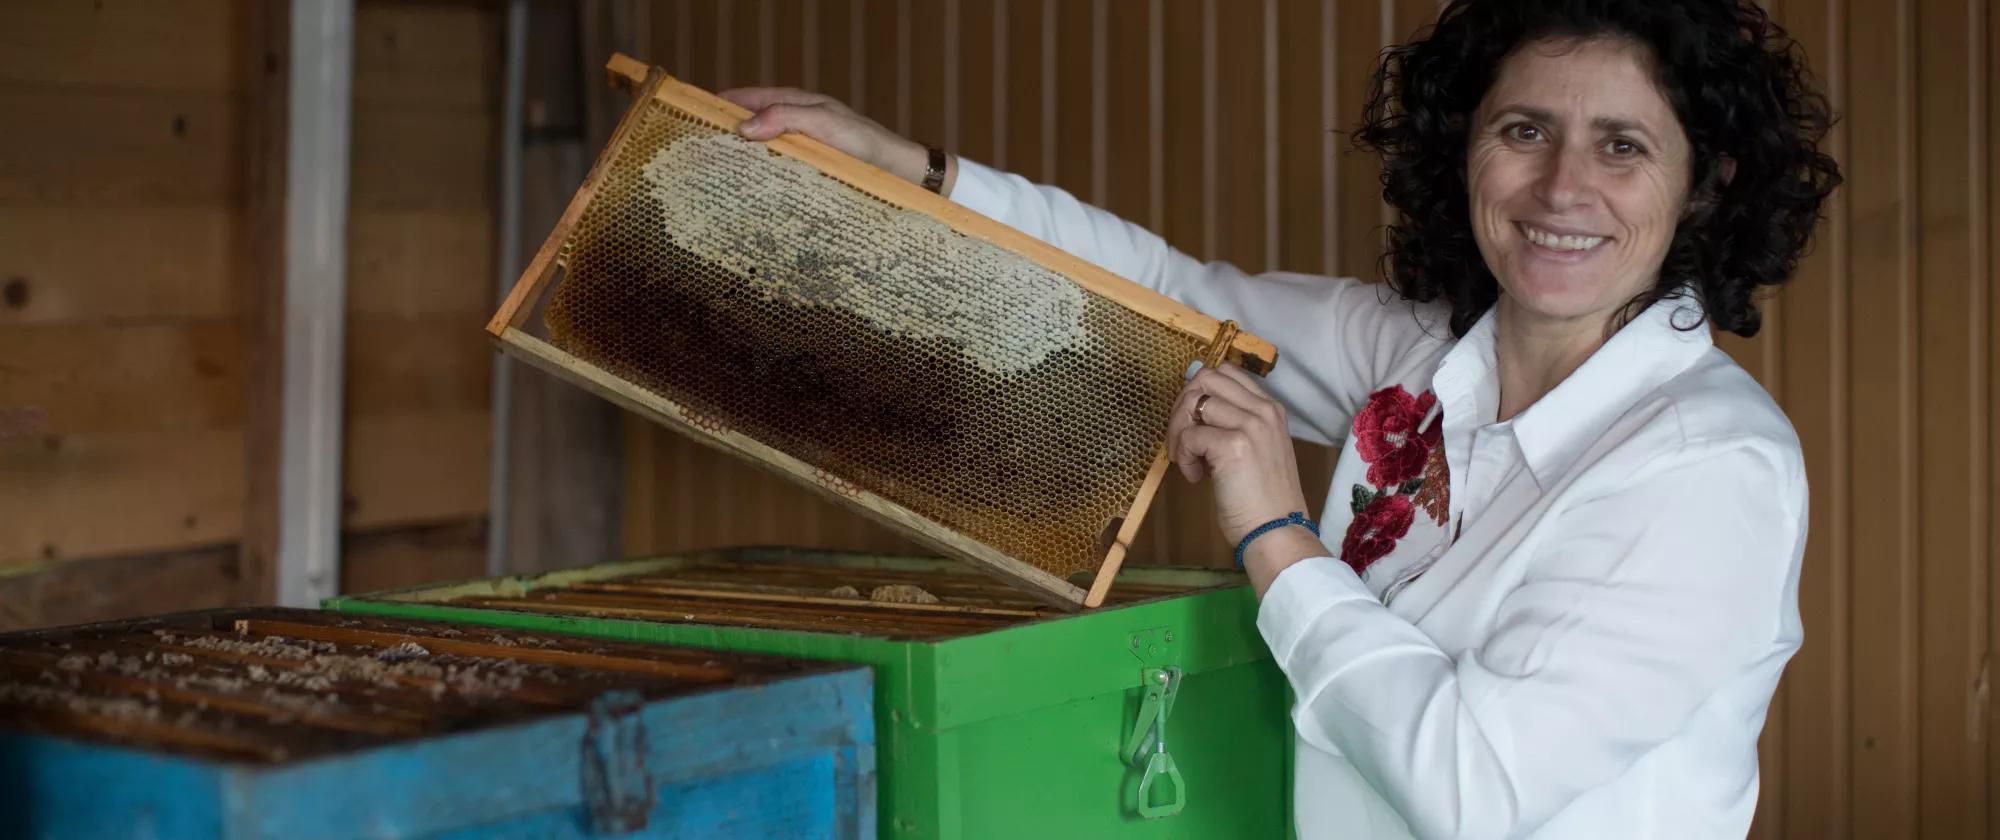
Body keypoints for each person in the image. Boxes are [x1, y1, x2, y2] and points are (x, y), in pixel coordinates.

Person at [722, 0, 1842, 835]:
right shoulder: (1413, 348)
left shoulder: (1709, 467)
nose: (1558, 189)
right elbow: (1171, 298)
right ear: (1461, 149)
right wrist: (915, 171)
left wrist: (1274, 534)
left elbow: (1473, 788)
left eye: (1622, 146)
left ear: (1704, 184)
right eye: (1521, 131)